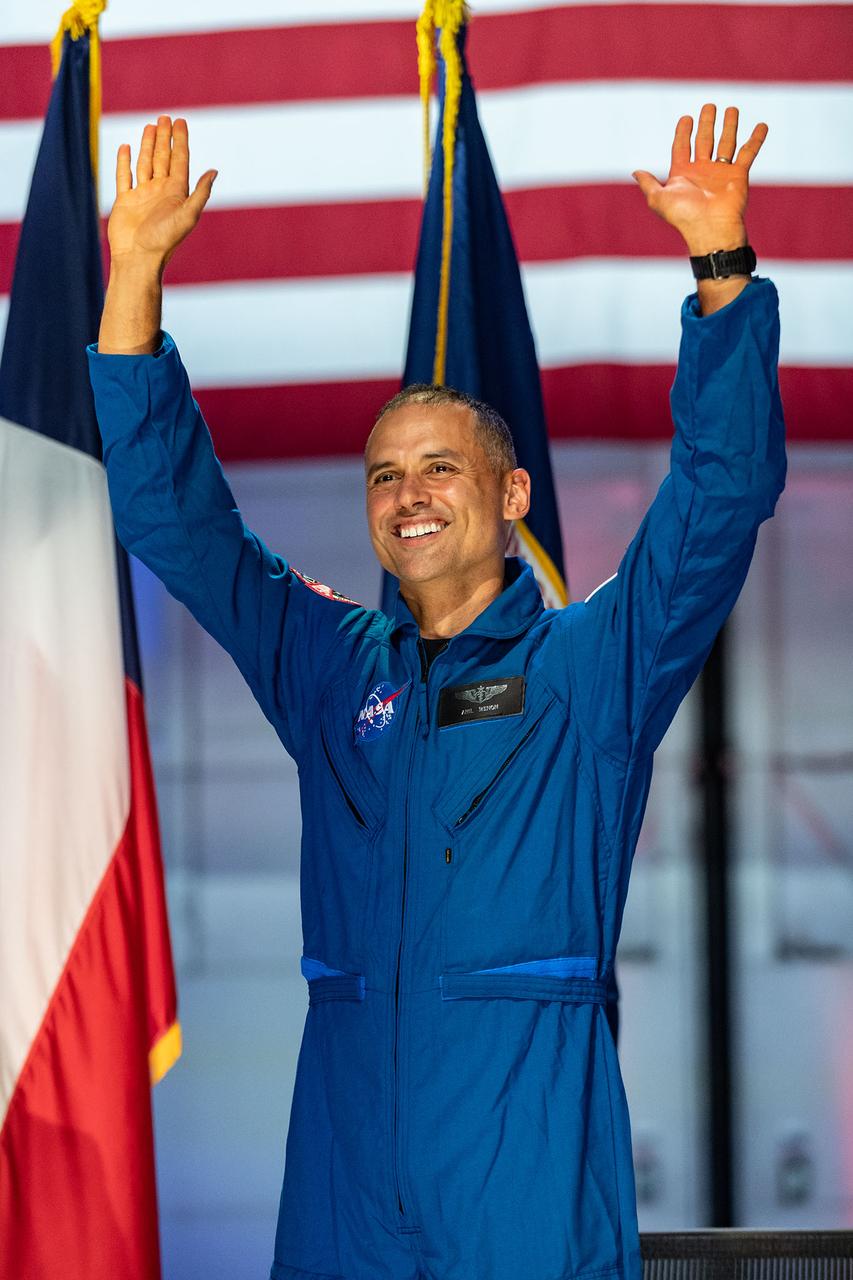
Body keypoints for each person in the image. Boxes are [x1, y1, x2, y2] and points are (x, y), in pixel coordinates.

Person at [88, 106, 785, 1280]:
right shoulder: (331, 665)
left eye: (439, 468)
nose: (406, 494)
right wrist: (137, 272)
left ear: (513, 494)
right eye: (384, 475)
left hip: (519, 1152)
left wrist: (719, 266)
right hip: (344, 1165)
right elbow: (174, 521)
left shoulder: (587, 667)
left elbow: (719, 498)